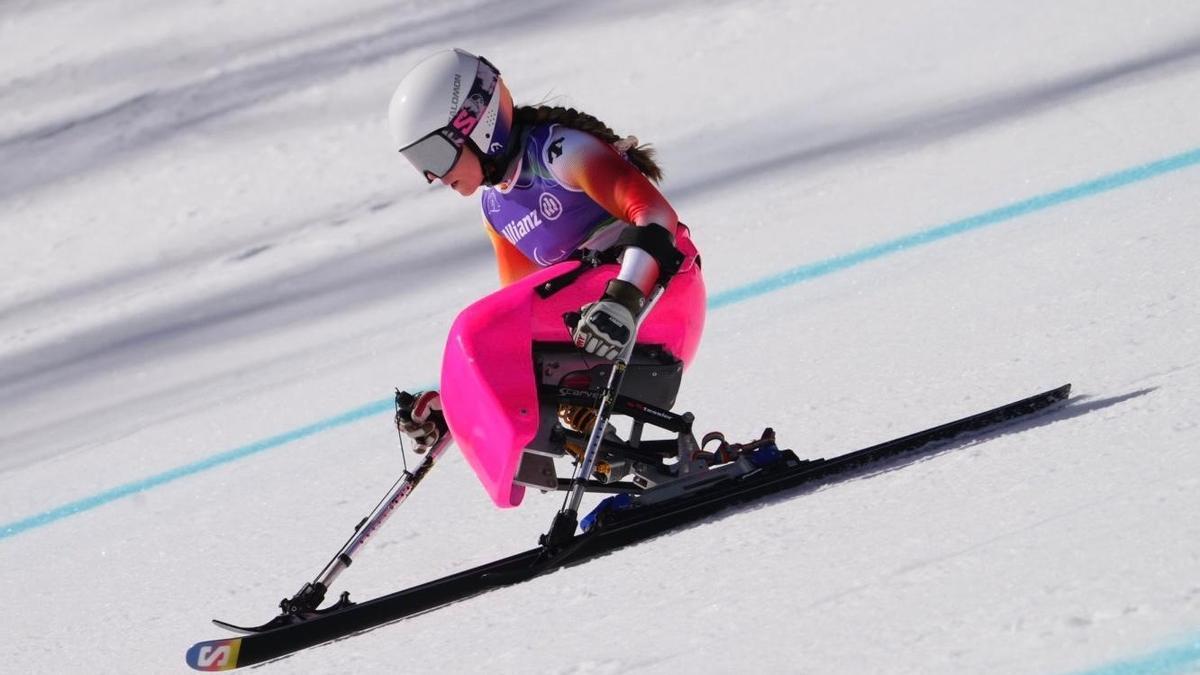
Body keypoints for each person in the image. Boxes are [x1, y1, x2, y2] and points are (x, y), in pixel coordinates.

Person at [387, 49, 705, 506]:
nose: (433, 175)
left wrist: (623, 299)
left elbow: (655, 215)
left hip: (658, 301)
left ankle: (597, 439)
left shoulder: (558, 151)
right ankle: (612, 456)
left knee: (474, 328)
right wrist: (459, 405)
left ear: (477, 125)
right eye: (419, 164)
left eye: (434, 153)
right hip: (597, 328)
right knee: (490, 335)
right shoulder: (496, 209)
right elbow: (517, 318)